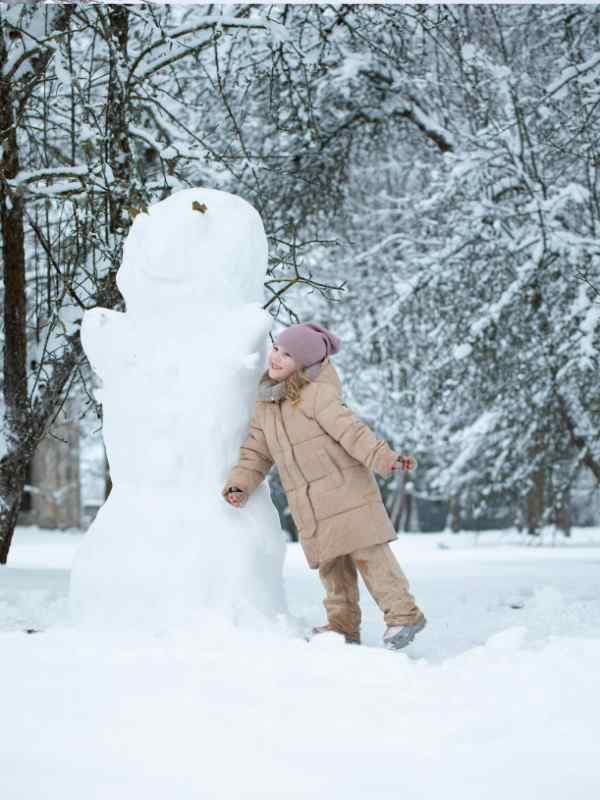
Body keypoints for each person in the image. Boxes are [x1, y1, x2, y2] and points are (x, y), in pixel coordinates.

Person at [222, 322, 426, 650]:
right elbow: (256, 451)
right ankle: (343, 627)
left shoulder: (316, 396)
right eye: (277, 349)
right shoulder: (267, 404)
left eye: (288, 355)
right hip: (310, 502)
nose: (276, 357)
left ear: (303, 364)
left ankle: (403, 615)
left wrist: (383, 457)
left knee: (371, 557)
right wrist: (240, 485)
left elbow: (351, 431)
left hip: (348, 492)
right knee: (333, 569)